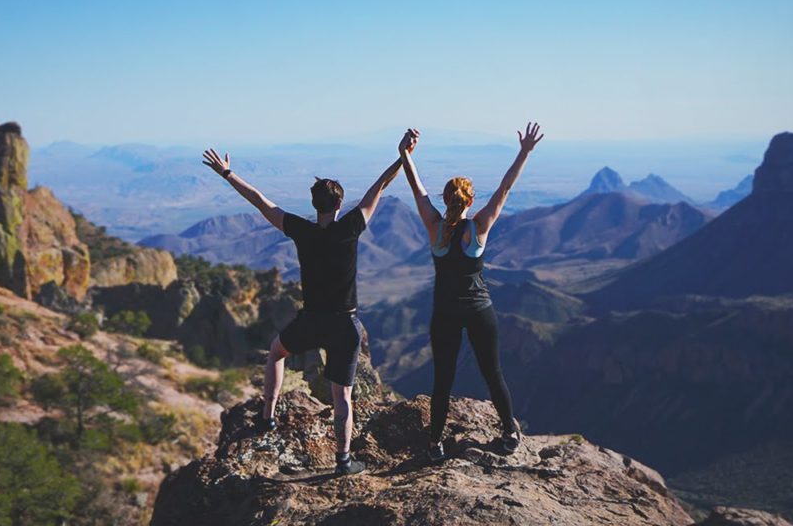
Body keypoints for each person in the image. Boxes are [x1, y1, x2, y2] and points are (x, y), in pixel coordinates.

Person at [202, 132, 413, 476]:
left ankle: (267, 417)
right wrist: (403, 155)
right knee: (341, 397)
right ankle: (343, 461)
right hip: (345, 324)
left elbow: (260, 200)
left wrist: (227, 174)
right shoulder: (350, 226)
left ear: (314, 204)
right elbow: (380, 186)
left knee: (276, 352)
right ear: (339, 204)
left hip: (312, 320)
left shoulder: (302, 230)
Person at [398, 122, 544, 462]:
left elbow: (416, 188)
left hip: (445, 313)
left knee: (443, 380)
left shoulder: (435, 226)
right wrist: (524, 152)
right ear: (470, 200)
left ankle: (435, 443)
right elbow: (506, 188)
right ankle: (509, 432)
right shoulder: (478, 227)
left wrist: (405, 154)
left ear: (445, 199)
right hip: (480, 310)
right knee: (492, 372)